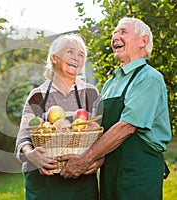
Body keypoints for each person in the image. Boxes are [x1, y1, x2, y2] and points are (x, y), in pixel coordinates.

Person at [58, 17, 172, 199]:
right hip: (110, 169)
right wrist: (97, 156)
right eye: (114, 33)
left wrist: (84, 160)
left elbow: (126, 127)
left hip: (138, 171)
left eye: (123, 32)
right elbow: (101, 127)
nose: (115, 37)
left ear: (143, 41)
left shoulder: (148, 78)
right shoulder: (111, 82)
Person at [15, 34, 104, 200]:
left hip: (81, 181)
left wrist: (98, 160)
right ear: (54, 58)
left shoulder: (90, 93)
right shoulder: (38, 95)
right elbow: (23, 138)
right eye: (70, 52)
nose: (76, 58)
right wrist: (31, 154)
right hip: (44, 183)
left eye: (81, 55)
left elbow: (99, 135)